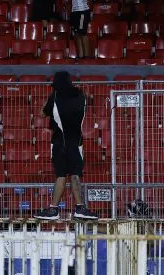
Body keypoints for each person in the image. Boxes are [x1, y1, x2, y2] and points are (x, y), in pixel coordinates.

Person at [35, 72, 96, 221]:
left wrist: (49, 99)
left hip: (59, 143)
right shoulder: (82, 97)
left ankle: (53, 210)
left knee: (61, 175)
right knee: (75, 174)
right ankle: (80, 208)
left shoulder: (55, 96)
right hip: (76, 142)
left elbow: (42, 113)